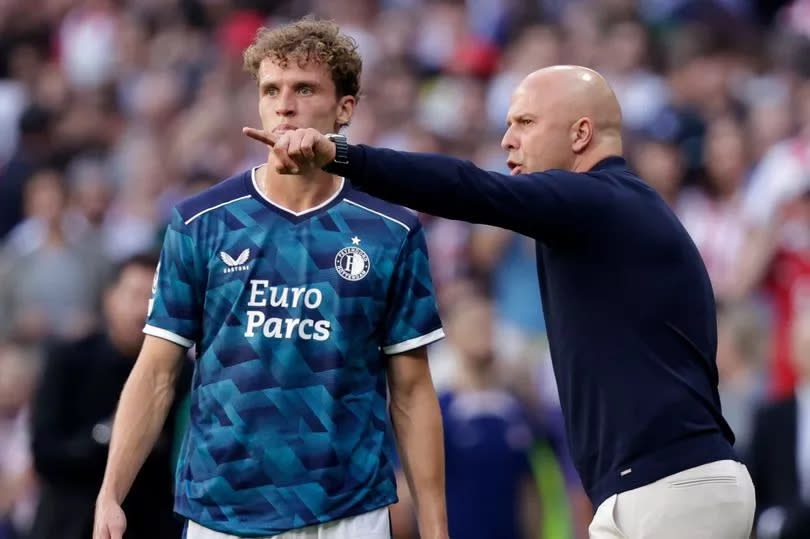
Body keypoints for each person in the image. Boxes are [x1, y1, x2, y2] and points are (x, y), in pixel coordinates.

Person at [247, 64, 757, 538]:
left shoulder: (603, 201)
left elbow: (474, 190)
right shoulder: (611, 215)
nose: (507, 139)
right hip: (660, 486)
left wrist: (342, 155)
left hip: (671, 486)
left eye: (526, 122)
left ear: (580, 134)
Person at [93, 18, 448, 539]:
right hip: (222, 510)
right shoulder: (201, 221)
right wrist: (110, 493)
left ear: (345, 107)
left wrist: (436, 529)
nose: (285, 105)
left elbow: (412, 391)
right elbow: (158, 371)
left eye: (304, 88)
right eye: (271, 90)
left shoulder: (390, 231)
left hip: (348, 511)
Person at [29, 252, 191, 539]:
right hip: (67, 521)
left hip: (148, 523)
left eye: (151, 298)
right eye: (133, 295)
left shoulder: (183, 373)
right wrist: (108, 433)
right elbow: (45, 453)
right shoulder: (69, 360)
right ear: (110, 297)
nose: (141, 309)